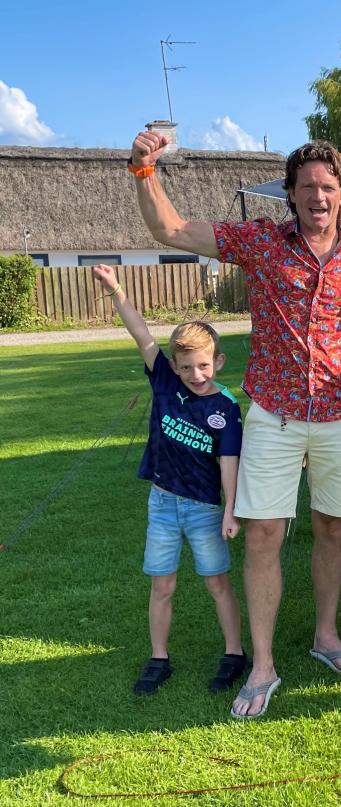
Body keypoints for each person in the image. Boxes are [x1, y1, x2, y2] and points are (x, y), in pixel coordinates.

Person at [128, 132, 341, 718]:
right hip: (274, 414)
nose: (318, 196)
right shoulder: (261, 242)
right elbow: (171, 230)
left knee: (332, 529)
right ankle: (264, 665)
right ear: (291, 194)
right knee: (263, 535)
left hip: (338, 414)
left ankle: (326, 636)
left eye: (328, 187)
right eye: (307, 187)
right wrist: (145, 171)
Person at [90, 264, 247, 697]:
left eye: (203, 366)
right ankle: (159, 658)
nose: (196, 375)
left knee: (217, 582)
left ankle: (235, 653)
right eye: (187, 368)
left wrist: (230, 511)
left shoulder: (226, 407)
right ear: (173, 367)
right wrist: (116, 290)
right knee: (162, 585)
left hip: (204, 509)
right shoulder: (163, 382)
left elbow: (229, 461)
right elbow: (141, 334)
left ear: (218, 361)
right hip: (161, 506)